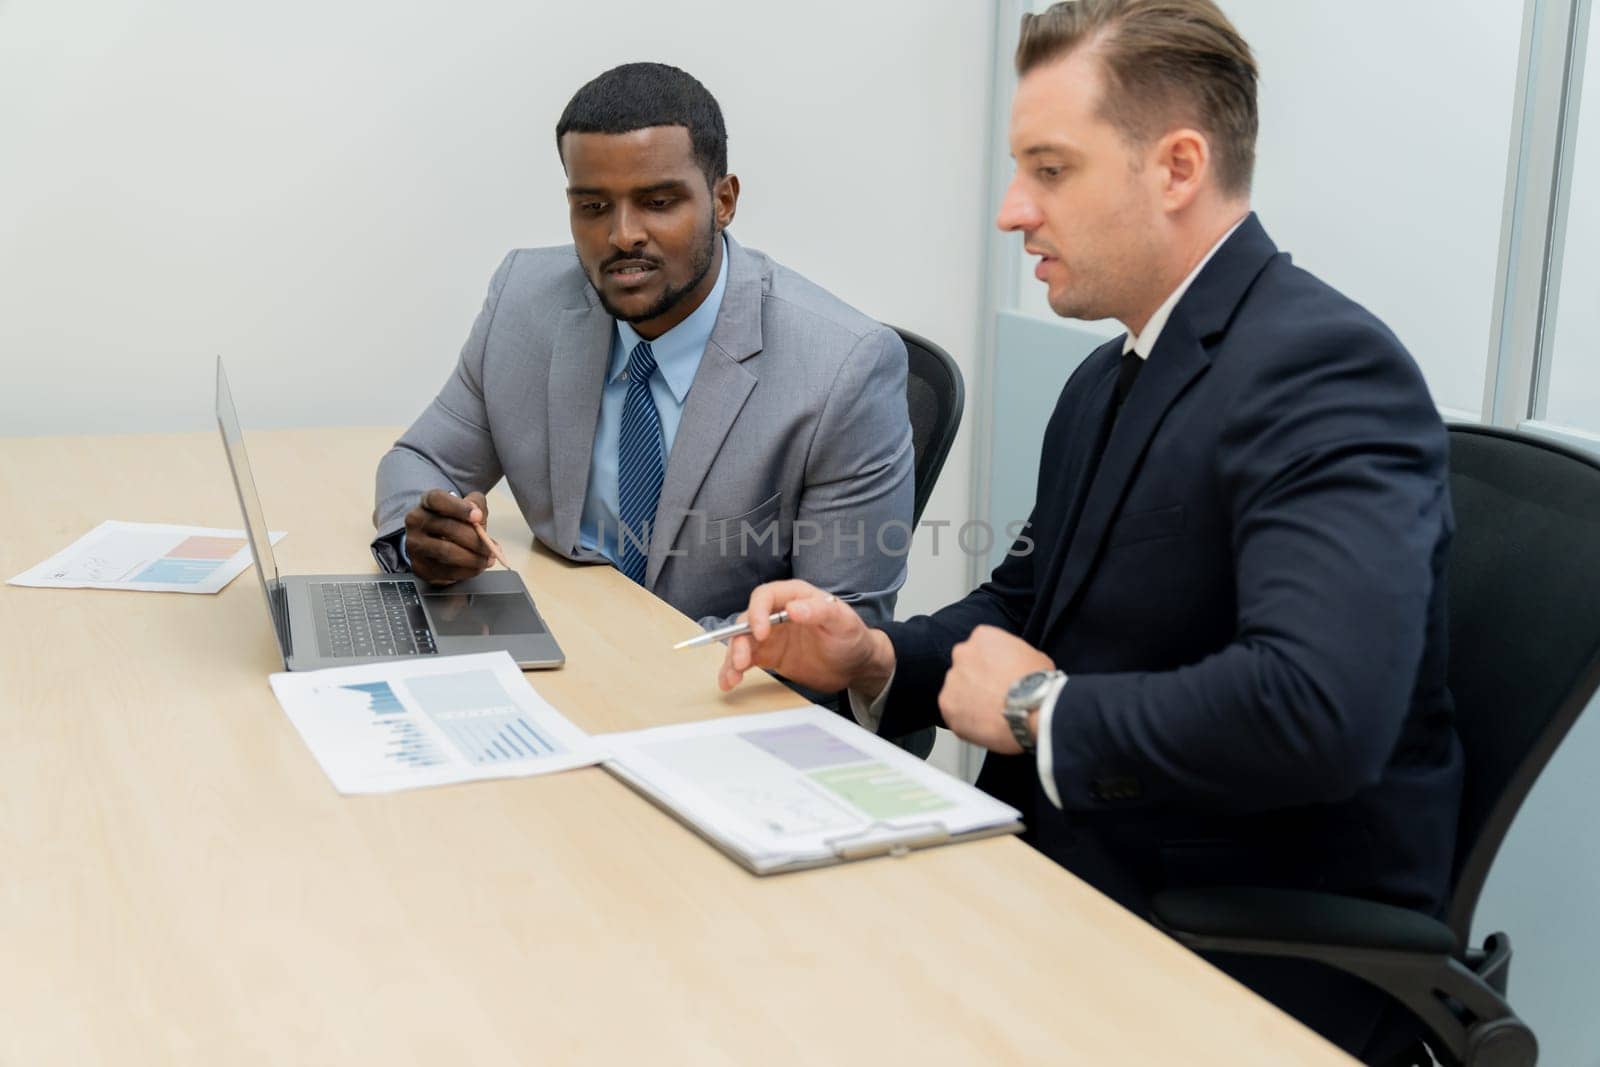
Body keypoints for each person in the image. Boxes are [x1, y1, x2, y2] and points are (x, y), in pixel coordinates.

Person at [715, 3, 1460, 1061]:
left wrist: (1034, 708)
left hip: (1235, 952)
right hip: (1064, 882)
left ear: (1175, 167)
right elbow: (1027, 603)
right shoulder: (1111, 374)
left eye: (1050, 169)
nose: (1012, 211)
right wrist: (875, 653)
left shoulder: (1324, 370)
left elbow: (1318, 708)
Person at [373, 63, 914, 631]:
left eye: (657, 202)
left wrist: (637, 673)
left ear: (724, 201)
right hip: (563, 640)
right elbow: (421, 460)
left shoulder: (843, 369)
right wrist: (425, 544)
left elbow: (837, 629)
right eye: (593, 207)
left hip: (713, 686)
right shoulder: (523, 300)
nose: (622, 235)